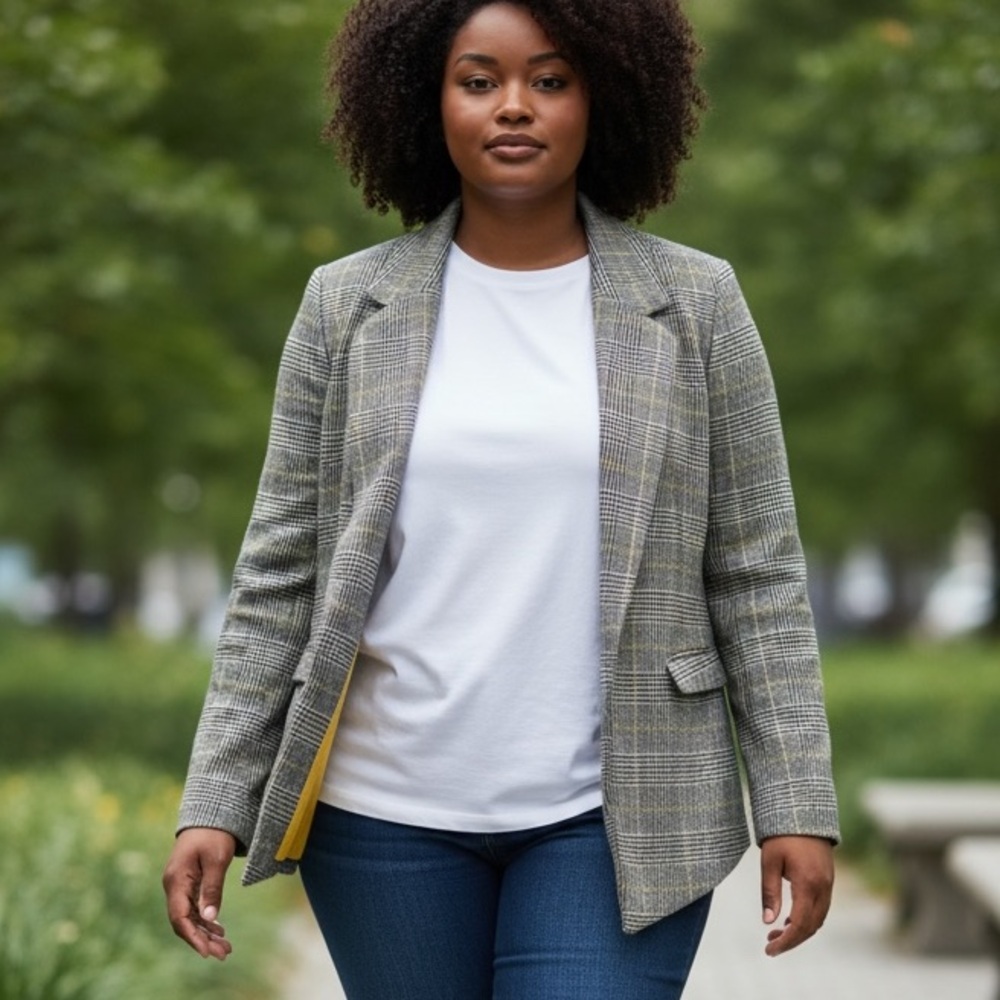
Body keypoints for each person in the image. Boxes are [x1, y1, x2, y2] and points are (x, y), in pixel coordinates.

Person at [162, 1, 840, 997]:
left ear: (603, 96)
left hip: (620, 814)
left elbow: (756, 572)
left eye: (550, 80)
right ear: (424, 102)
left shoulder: (696, 304)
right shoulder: (345, 306)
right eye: (478, 80)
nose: (512, 107)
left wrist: (796, 801)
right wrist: (213, 797)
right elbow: (281, 573)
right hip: (382, 816)